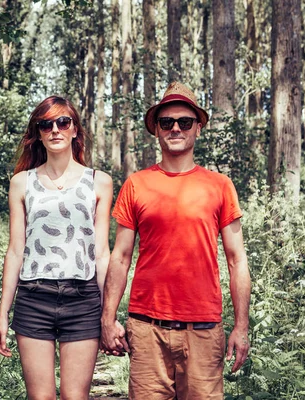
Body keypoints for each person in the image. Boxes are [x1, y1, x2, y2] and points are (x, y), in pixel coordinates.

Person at [100, 82, 251, 399]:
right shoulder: (137, 184)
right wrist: (108, 318)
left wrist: (241, 326)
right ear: (156, 129)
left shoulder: (220, 186)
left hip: (204, 331)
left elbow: (237, 260)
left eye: (184, 121)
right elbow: (120, 256)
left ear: (198, 127)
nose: (176, 128)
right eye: (167, 122)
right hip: (147, 329)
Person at [0, 96, 113, 400]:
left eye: (63, 122)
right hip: (34, 299)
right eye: (46, 124)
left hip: (83, 299)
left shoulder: (99, 182)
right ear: (38, 132)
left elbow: (101, 252)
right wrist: (3, 313)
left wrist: (108, 313)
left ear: (75, 130)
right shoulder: (21, 183)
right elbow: (15, 251)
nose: (55, 130)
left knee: (75, 397)